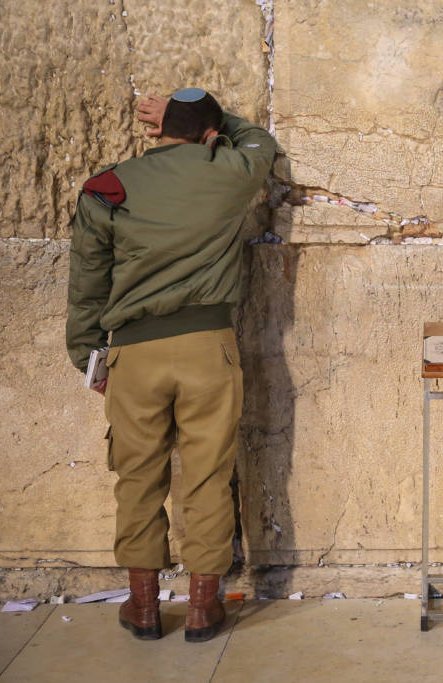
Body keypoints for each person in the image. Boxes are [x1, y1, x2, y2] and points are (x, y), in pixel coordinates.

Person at [65, 88, 275, 641]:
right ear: (210, 134)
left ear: (156, 131)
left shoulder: (108, 187)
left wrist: (90, 355)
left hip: (135, 353)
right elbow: (260, 142)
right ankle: (204, 608)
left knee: (137, 478)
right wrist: (214, 120)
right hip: (210, 347)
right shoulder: (229, 169)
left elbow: (88, 282)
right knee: (209, 475)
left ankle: (144, 607)